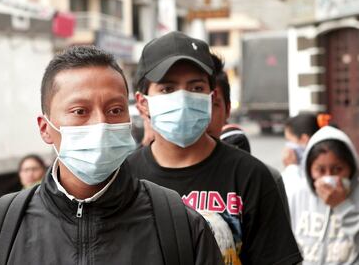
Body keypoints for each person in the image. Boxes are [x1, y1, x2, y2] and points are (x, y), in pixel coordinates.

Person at [0, 46, 222, 264]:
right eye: (80, 111)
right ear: (45, 129)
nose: (101, 124)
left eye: (115, 110)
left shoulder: (179, 224)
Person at [128, 31, 302, 264]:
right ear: (142, 103)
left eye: (196, 88)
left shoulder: (251, 176)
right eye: (168, 89)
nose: (183, 98)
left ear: (211, 98)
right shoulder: (126, 177)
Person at [207, 54, 291, 222]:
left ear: (227, 109)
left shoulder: (261, 179)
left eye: (212, 104)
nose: (204, 115)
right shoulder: (142, 177)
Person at [288, 125, 359, 264]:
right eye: (320, 170)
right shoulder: (297, 195)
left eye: (337, 169)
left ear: (351, 169)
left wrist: (342, 206)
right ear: (309, 171)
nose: (329, 177)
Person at [282, 113, 320, 198]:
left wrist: (291, 168)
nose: (287, 145)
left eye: (289, 140)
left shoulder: (315, 167)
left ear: (304, 139)